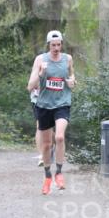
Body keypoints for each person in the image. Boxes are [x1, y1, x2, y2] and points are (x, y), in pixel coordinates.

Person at [27, 30, 75, 194]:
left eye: (59, 44)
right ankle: (48, 176)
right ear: (49, 45)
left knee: (59, 137)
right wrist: (40, 74)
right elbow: (30, 86)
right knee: (47, 145)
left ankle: (59, 173)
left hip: (62, 103)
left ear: (62, 44)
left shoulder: (67, 59)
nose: (56, 48)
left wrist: (72, 81)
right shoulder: (40, 59)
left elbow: (71, 77)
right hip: (44, 105)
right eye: (53, 45)